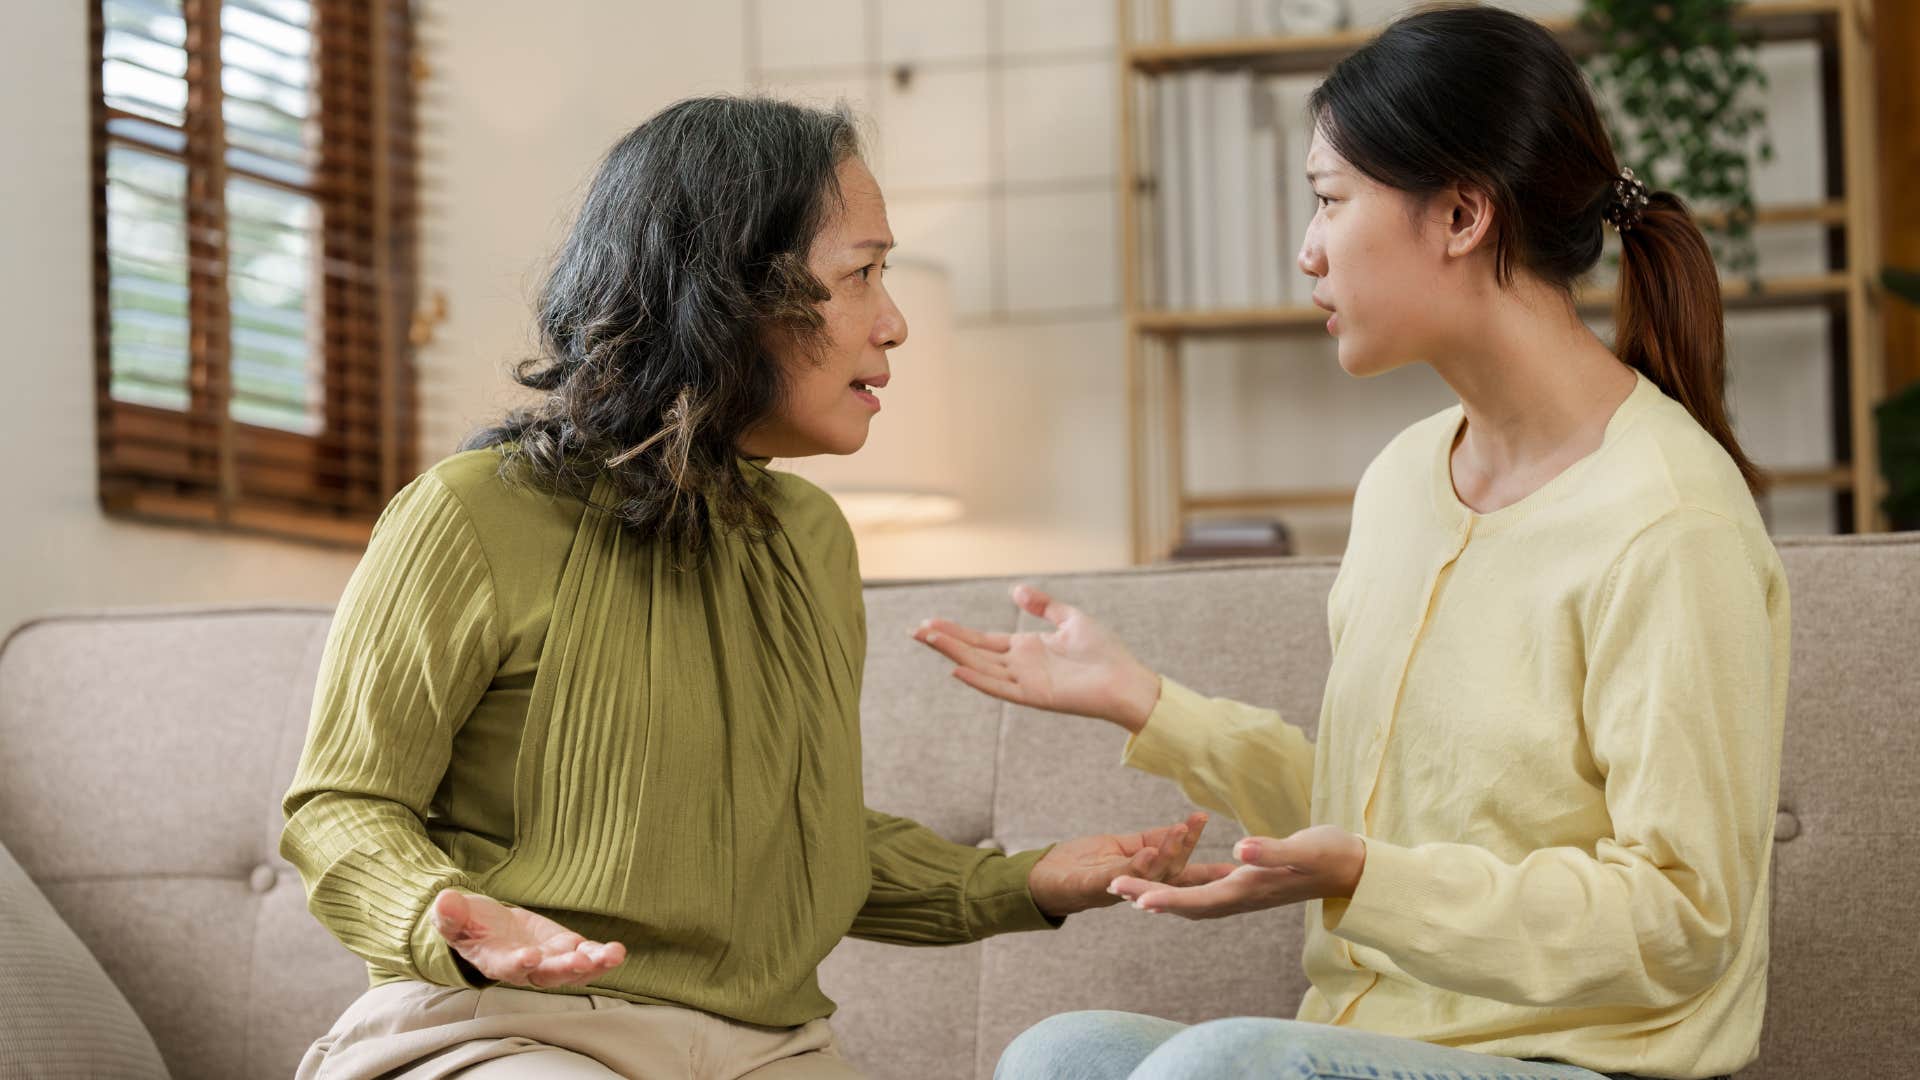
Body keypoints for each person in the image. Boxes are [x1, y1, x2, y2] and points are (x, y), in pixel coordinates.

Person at [915, 7, 1787, 1080]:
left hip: (1583, 1064)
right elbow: (1370, 820)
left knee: (1215, 1068)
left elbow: (1682, 917)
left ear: (1463, 212)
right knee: (1061, 1055)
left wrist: (1374, 879)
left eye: (1331, 200)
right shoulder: (1404, 485)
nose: (1306, 249)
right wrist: (1144, 701)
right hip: (1373, 1041)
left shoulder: (1667, 518)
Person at [281, 95, 1230, 1080]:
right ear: (729, 292)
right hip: (509, 1030)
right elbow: (342, 804)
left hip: (769, 1051)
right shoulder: (471, 514)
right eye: (860, 274)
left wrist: (1026, 880)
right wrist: (439, 912)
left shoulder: (811, 538)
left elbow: (793, 837)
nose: (893, 323)